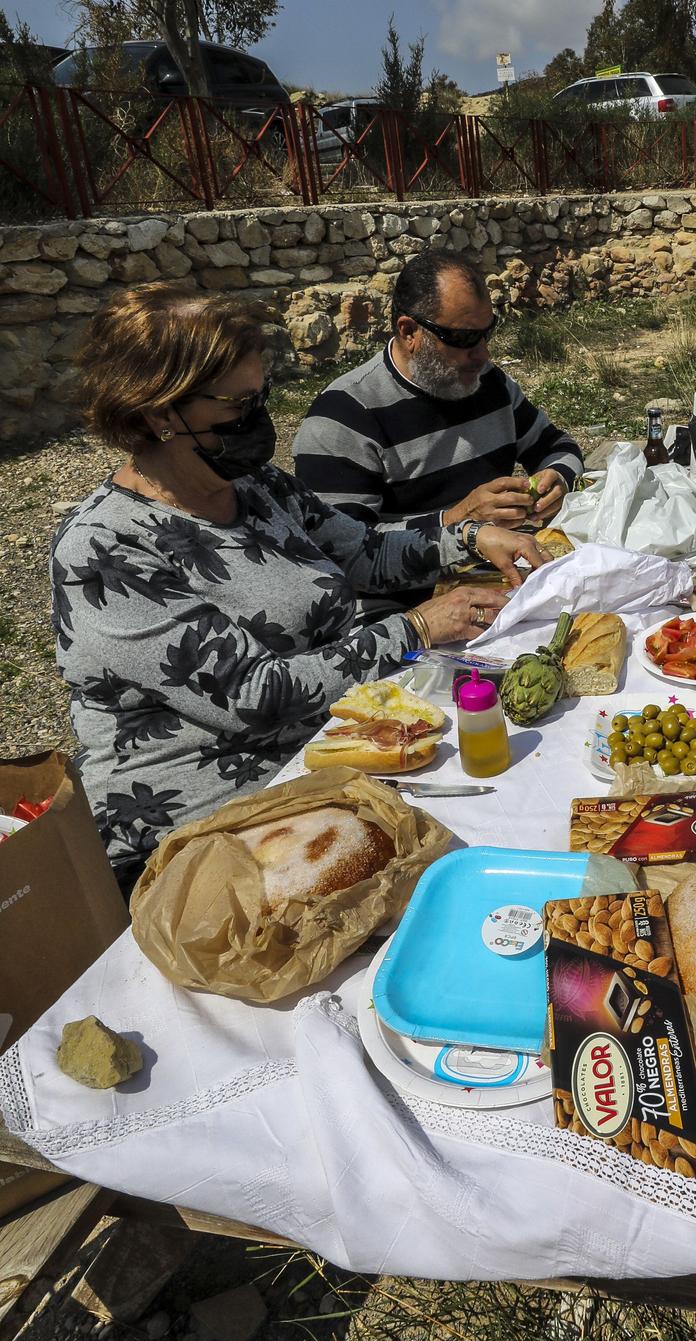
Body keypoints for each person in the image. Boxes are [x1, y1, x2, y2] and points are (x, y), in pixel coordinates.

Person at [52, 284, 547, 888]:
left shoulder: (258, 488)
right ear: (158, 411)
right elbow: (254, 697)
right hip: (210, 827)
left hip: (328, 752)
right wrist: (415, 627)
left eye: (261, 398)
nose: (257, 422)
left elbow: (362, 551)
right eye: (237, 406)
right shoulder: (105, 551)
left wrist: (470, 538)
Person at [293, 251, 582, 538]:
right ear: (409, 332)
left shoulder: (489, 383)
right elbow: (344, 547)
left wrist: (558, 480)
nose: (483, 353)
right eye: (464, 338)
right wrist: (459, 521)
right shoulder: (343, 418)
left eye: (486, 334)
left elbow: (559, 446)